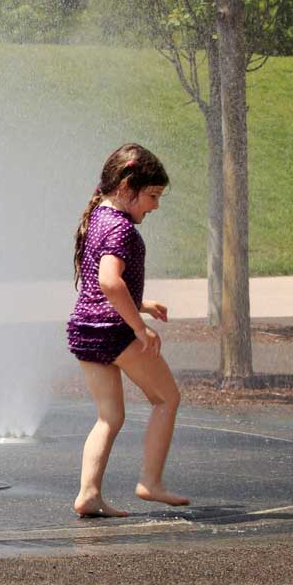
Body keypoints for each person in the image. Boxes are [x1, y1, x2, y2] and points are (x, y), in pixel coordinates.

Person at [67, 142, 189, 517]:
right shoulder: (120, 227)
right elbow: (108, 282)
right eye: (152, 196)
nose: (155, 205)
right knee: (166, 399)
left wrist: (141, 303)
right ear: (126, 186)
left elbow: (97, 288)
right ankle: (150, 482)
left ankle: (89, 494)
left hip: (85, 329)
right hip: (114, 331)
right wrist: (140, 328)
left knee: (109, 417)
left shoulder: (99, 217)